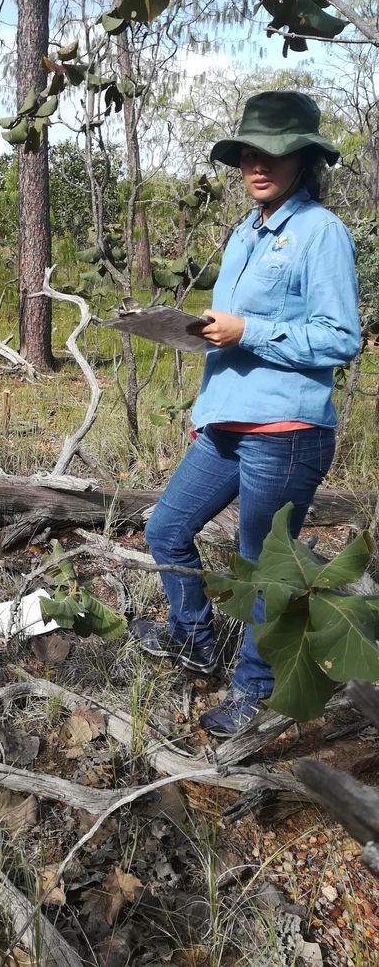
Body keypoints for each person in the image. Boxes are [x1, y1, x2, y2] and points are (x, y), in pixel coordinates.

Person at [130, 91, 361, 738]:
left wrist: (247, 329)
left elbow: (340, 337)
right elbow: (231, 332)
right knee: (166, 528)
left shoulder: (320, 232)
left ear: (305, 158)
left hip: (287, 434)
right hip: (227, 425)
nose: (258, 164)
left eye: (275, 152)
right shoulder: (245, 233)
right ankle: (195, 639)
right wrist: (206, 387)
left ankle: (256, 690)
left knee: (264, 566)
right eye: (249, 152)